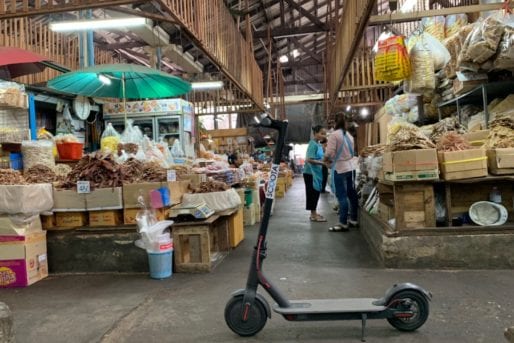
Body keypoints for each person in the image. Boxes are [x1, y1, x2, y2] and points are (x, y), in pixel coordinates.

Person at [324, 114, 358, 232]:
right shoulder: (349, 135)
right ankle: (353, 219)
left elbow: (329, 153)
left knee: (342, 195)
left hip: (339, 167)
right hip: (351, 167)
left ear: (335, 123)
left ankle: (343, 223)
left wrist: (326, 159)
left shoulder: (334, 135)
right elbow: (352, 151)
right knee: (351, 193)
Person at [303, 125, 328, 222]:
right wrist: (323, 163)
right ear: (315, 133)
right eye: (321, 133)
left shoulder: (318, 144)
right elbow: (309, 159)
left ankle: (314, 212)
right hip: (310, 173)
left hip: (316, 173)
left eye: (324, 134)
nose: (323, 135)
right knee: (312, 193)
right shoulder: (312, 144)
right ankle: (313, 215)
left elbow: (320, 157)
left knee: (316, 193)